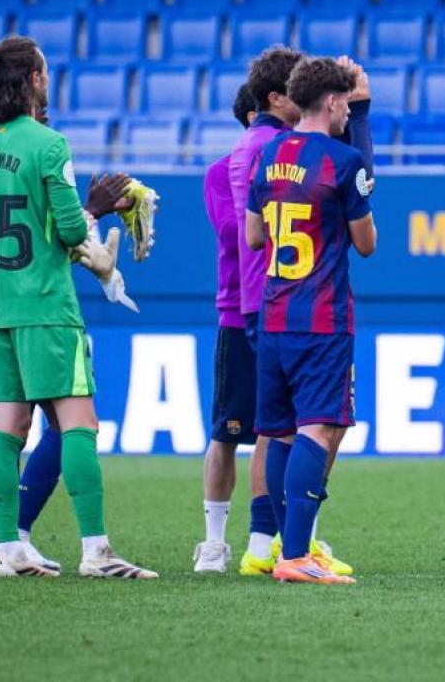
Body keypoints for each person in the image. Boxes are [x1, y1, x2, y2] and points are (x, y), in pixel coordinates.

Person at [0, 36, 155, 579]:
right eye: (44, 70)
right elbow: (71, 228)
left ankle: (10, 549)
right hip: (46, 306)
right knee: (79, 424)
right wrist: (92, 210)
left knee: (7, 430)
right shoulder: (48, 145)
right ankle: (96, 550)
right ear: (34, 81)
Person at [229, 47, 370, 577]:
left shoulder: (270, 154)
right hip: (321, 317)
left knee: (282, 432)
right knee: (320, 428)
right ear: (333, 103)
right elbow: (367, 243)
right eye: (347, 105)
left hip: (273, 314)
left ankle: (285, 550)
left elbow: (253, 234)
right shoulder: (343, 160)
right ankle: (295, 555)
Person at [193, 83, 263, 573]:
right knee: (227, 432)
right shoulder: (224, 172)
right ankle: (214, 541)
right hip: (241, 312)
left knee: (283, 433)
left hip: (286, 313)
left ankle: (277, 538)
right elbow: (234, 233)